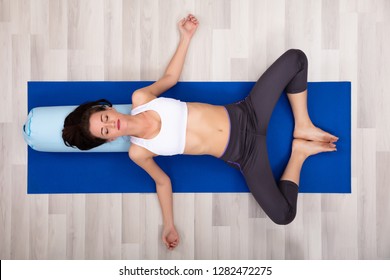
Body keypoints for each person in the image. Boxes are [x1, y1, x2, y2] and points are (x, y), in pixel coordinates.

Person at [62, 14, 338, 250]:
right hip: (244, 154)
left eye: (105, 118)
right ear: (108, 139)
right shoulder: (138, 151)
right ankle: (299, 153)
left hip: (247, 113)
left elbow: (170, 79)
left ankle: (303, 124)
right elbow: (162, 183)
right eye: (104, 130)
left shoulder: (142, 98)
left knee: (296, 59)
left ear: (107, 108)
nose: (111, 125)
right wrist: (169, 225)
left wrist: (185, 37)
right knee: (283, 215)